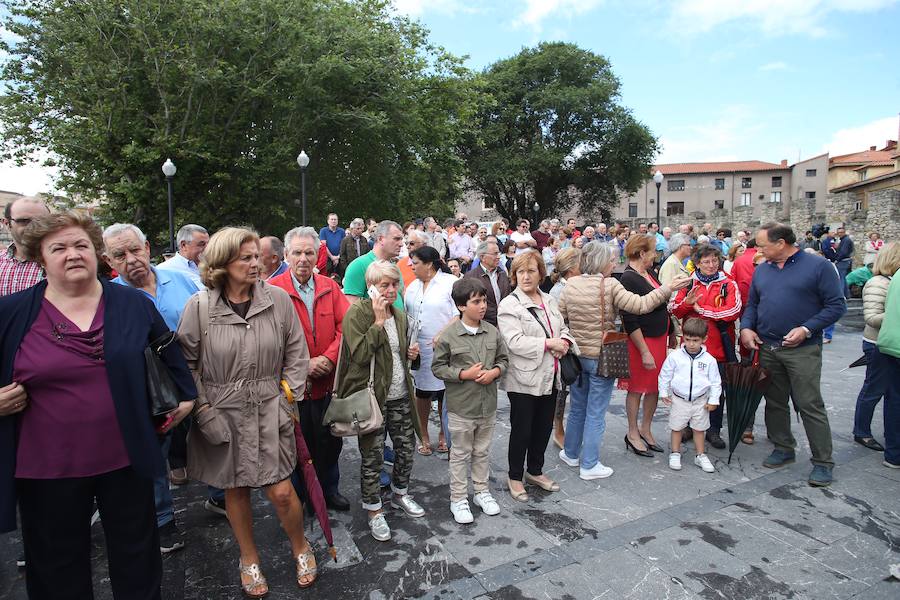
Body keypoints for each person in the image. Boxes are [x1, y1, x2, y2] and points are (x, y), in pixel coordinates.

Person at [0, 210, 196, 599]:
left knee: (137, 561)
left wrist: (187, 398)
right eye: (58, 247)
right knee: (57, 568)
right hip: (46, 468)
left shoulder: (133, 304)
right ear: (41, 257)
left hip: (126, 458)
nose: (72, 254)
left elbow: (170, 354)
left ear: (97, 254)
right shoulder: (11, 312)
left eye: (81, 245)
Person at [177, 227, 316, 596]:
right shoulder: (200, 307)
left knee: (283, 491)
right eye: (246, 258)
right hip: (221, 411)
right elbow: (186, 365)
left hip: (270, 405)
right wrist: (203, 410)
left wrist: (288, 399)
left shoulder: (278, 300)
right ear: (223, 263)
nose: (257, 264)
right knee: (234, 490)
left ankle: (301, 545)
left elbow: (296, 353)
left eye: (257, 256)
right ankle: (248, 558)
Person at [102, 222, 201, 552]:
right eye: (120, 254)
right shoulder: (108, 299)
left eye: (134, 250)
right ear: (109, 261)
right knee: (154, 456)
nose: (130, 259)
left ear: (147, 248)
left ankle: (221, 496)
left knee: (212, 437)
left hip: (194, 377)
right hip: (147, 389)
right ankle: (163, 521)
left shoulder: (182, 279)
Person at [558, 242, 689, 480]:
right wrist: (667, 288)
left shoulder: (571, 284)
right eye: (610, 260)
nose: (613, 264)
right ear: (600, 262)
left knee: (577, 409)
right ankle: (589, 465)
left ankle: (571, 453)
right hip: (601, 356)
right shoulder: (609, 285)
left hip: (576, 357)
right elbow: (640, 306)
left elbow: (560, 319)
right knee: (596, 413)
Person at [740, 222, 845, 487]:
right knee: (774, 402)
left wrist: (807, 328)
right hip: (768, 346)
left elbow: (836, 306)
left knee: (809, 404)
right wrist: (746, 328)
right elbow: (753, 304)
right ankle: (783, 447)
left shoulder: (818, 267)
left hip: (803, 350)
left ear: (781, 243)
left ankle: (822, 462)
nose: (758, 251)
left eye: (762, 246)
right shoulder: (762, 270)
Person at [337, 260, 425, 541]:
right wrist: (376, 322)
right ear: (370, 287)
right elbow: (360, 356)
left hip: (400, 395)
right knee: (372, 457)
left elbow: (403, 358)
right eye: (383, 285)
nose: (390, 290)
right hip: (372, 398)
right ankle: (374, 509)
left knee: (406, 449)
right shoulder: (357, 314)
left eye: (394, 284)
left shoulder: (399, 315)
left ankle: (400, 493)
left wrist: (413, 354)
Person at [269, 226, 351, 511]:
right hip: (292, 388)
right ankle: (301, 498)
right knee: (295, 447)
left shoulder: (330, 286)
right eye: (297, 252)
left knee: (329, 443)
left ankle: (330, 491)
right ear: (286, 255)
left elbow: (346, 327)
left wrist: (328, 358)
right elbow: (268, 340)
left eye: (308, 252)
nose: (303, 258)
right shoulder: (273, 290)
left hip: (326, 385)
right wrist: (303, 365)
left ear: (317, 255)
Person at [498, 250, 576, 501]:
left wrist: (564, 340)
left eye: (531, 271)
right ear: (514, 275)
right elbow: (514, 342)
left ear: (541, 274)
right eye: (520, 271)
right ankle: (514, 476)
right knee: (522, 429)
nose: (526, 276)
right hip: (524, 378)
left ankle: (535, 470)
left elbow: (563, 328)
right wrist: (549, 343)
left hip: (551, 376)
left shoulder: (550, 300)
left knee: (543, 427)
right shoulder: (510, 304)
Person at [431, 278, 508, 524]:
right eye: (476, 302)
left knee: (482, 451)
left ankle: (481, 492)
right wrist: (463, 374)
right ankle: (458, 498)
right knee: (461, 453)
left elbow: (503, 359)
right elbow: (438, 368)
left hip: (487, 405)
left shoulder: (492, 331)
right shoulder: (449, 336)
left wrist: (495, 372)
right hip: (461, 407)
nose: (482, 306)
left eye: (484, 300)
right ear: (461, 306)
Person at [670, 245, 742, 450]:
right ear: (698, 263)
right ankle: (686, 426)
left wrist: (703, 310)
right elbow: (674, 309)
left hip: (718, 348)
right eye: (706, 261)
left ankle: (713, 429)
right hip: (691, 347)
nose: (711, 265)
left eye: (714, 261)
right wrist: (687, 304)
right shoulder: (688, 283)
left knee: (715, 390)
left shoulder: (728, 283)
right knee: (686, 386)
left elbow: (733, 311)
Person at [617, 235, 672, 457]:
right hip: (642, 340)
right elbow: (629, 319)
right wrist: (644, 351)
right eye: (652, 251)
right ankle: (632, 432)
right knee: (637, 387)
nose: (655, 255)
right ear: (642, 253)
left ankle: (645, 429)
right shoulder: (628, 278)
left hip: (658, 337)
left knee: (654, 387)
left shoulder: (649, 273)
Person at [405, 246, 457, 456]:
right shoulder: (412, 287)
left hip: (445, 347)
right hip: (419, 348)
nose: (411, 266)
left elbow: (459, 312)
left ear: (429, 264)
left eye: (415, 263)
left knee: (446, 391)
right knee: (422, 392)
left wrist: (443, 334)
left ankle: (445, 433)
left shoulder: (450, 283)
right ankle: (423, 433)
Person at [852, 242, 900, 452]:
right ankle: (861, 431)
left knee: (892, 392)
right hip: (877, 344)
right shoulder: (877, 283)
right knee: (873, 389)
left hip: (891, 343)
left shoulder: (891, 281)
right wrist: (895, 313)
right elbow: (871, 318)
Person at [658, 318, 721, 473]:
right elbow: (665, 374)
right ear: (682, 337)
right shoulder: (675, 357)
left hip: (700, 400)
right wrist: (664, 391)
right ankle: (675, 452)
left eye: (695, 340)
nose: (691, 344)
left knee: (699, 429)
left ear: (704, 339)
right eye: (687, 340)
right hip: (680, 399)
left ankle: (700, 455)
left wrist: (714, 399)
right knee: (677, 427)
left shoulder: (709, 360)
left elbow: (715, 382)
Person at [548, 247, 581, 449]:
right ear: (571, 268)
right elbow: (558, 322)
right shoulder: (559, 291)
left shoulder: (573, 285)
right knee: (562, 389)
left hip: (576, 342)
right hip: (565, 345)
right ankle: (558, 427)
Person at [342, 220, 405, 308]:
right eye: (396, 239)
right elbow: (352, 312)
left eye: (401, 239)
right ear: (380, 239)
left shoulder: (395, 267)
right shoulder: (358, 266)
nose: (401, 244)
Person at [0, 196, 50, 296]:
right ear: (7, 224)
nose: (33, 226)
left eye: (41, 221)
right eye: (24, 221)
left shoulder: (62, 262)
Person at [463, 240, 511, 328]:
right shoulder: (471, 277)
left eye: (499, 253)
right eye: (495, 254)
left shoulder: (502, 273)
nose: (499, 257)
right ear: (482, 257)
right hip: (484, 326)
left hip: (505, 323)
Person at [157, 224, 209, 289]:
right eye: (202, 244)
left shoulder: (213, 266)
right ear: (184, 245)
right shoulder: (163, 270)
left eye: (208, 244)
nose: (208, 248)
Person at [831, 226, 855, 299]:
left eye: (841, 232)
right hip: (845, 260)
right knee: (843, 277)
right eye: (838, 233)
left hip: (843, 261)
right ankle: (847, 294)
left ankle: (841, 295)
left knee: (840, 277)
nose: (840, 234)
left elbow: (843, 252)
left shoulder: (846, 240)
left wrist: (837, 259)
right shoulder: (843, 240)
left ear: (844, 232)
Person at [319, 213, 345, 277]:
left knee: (341, 277)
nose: (333, 221)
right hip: (327, 259)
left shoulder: (341, 231)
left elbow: (343, 245)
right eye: (332, 219)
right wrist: (332, 257)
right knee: (327, 277)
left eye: (335, 219)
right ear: (328, 221)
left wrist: (338, 257)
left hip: (340, 258)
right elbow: (324, 246)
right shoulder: (323, 231)